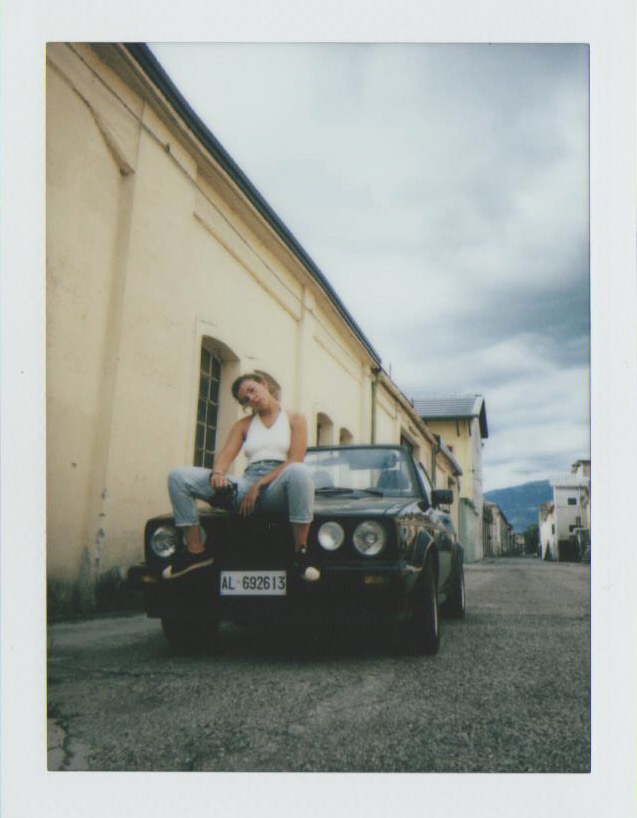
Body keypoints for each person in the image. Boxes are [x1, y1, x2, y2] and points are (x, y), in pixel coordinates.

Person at [163, 371, 319, 582]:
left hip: (278, 486)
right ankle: (195, 552)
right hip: (246, 484)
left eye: (252, 390)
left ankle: (301, 553)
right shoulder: (244, 425)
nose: (252, 399)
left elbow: (295, 459)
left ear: (264, 384)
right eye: (246, 400)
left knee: (300, 471)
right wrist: (218, 473)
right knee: (178, 477)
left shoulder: (295, 418)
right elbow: (225, 456)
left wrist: (260, 484)